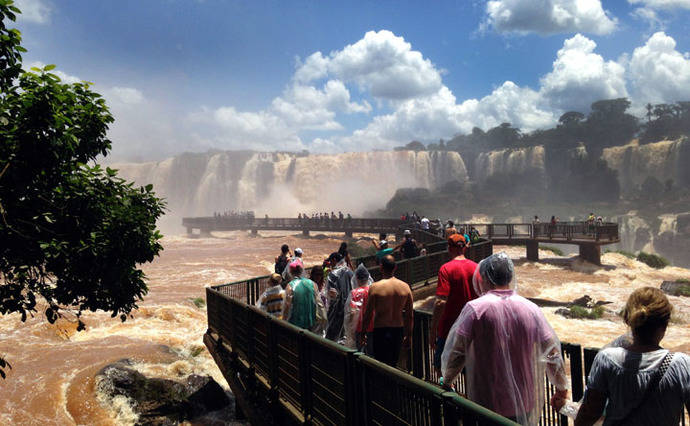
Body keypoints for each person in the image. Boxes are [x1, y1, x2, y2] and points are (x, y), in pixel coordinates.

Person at [441, 253, 569, 424]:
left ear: (485, 277)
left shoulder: (476, 309)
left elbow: (458, 352)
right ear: (510, 276)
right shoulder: (531, 308)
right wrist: (561, 389)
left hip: (485, 402)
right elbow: (552, 353)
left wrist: (448, 381)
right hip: (523, 401)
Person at [574, 287, 690, 426]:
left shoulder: (607, 359)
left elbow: (589, 413)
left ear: (628, 320)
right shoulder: (682, 365)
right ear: (665, 325)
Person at [430, 234, 477, 376]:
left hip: (448, 329)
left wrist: (432, 331)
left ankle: (447, 397)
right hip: (471, 329)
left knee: (442, 370)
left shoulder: (446, 269)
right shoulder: (476, 268)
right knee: (471, 372)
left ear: (449, 248)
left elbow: (440, 302)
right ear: (464, 248)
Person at [360, 255, 413, 367]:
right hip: (398, 331)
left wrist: (363, 333)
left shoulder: (375, 287)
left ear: (381, 267)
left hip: (380, 330)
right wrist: (408, 336)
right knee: (394, 364)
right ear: (395, 268)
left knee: (381, 365)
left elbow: (368, 314)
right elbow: (409, 316)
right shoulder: (405, 287)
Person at [282, 261, 321, 330]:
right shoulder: (312, 283)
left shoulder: (290, 285)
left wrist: (284, 321)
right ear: (301, 271)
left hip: (296, 323)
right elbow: (319, 303)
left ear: (290, 272)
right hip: (311, 321)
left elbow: (287, 306)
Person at [343, 263, 374, 351]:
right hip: (372, 327)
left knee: (359, 352)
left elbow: (351, 312)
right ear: (368, 278)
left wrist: (350, 330)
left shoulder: (354, 293)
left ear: (356, 278)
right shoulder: (372, 290)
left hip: (359, 328)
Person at [325, 252, 354, 342]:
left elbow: (331, 295)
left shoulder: (332, 274)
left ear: (334, 260)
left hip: (337, 310)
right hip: (350, 307)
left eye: (331, 261)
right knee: (346, 334)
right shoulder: (350, 271)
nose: (330, 264)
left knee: (333, 336)